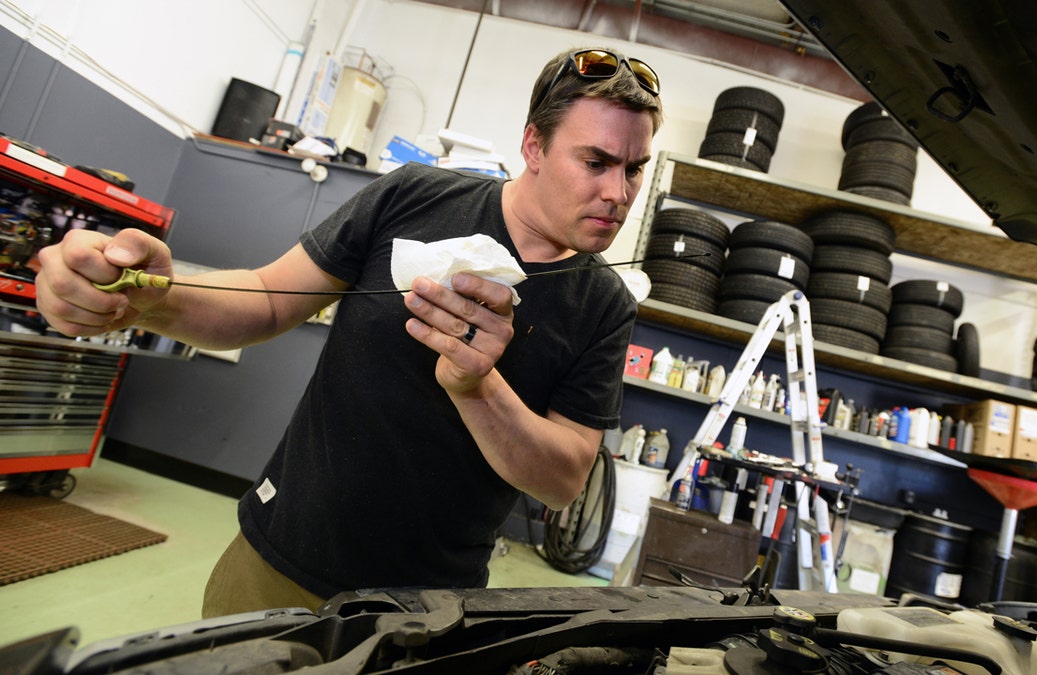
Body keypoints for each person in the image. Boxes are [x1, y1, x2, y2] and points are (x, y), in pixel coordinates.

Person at [34, 47, 664, 616]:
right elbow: (265, 298)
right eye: (596, 162)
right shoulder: (413, 196)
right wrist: (149, 299)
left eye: (634, 169)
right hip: (277, 560)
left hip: (425, 609)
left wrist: (478, 389)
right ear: (533, 147)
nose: (618, 192)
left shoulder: (604, 305)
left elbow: (562, 481)